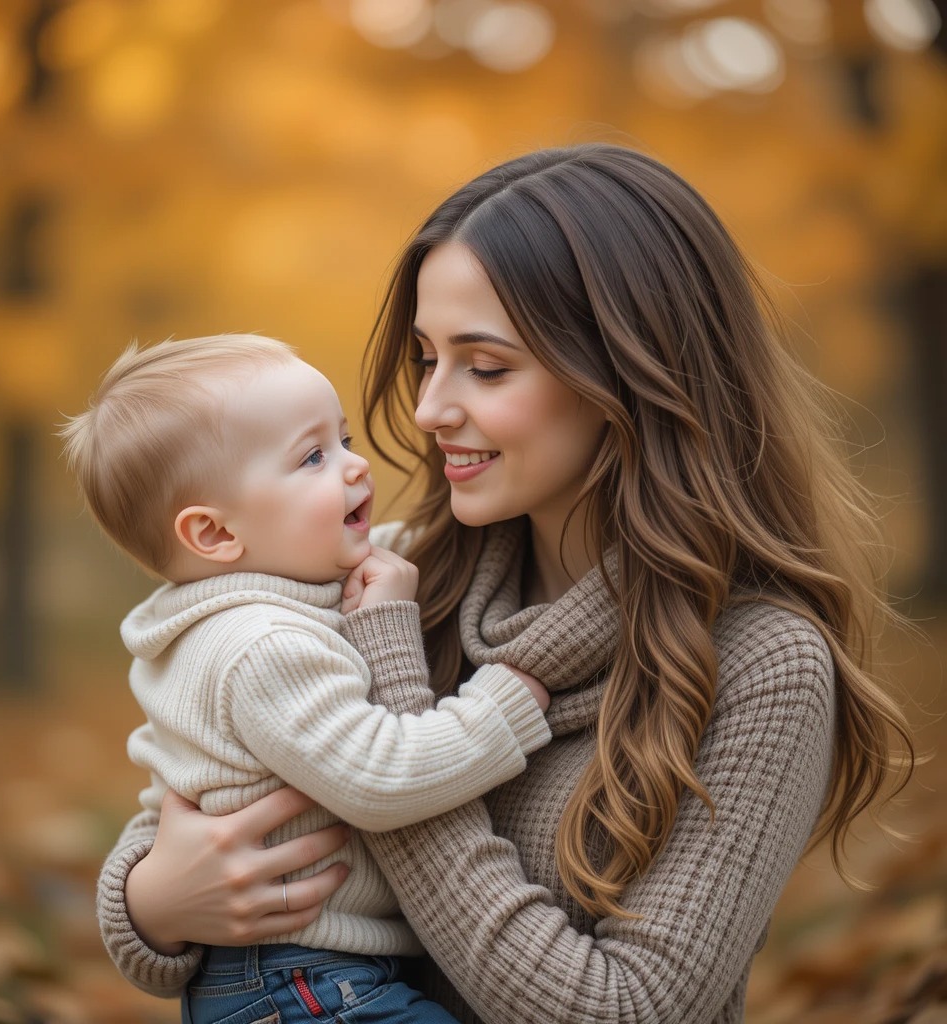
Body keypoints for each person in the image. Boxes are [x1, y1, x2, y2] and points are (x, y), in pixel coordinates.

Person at [94, 145, 916, 1023]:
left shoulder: (763, 663)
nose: (429, 409)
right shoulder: (395, 576)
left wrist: (402, 708)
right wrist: (148, 906)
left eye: (485, 367)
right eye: (424, 359)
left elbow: (624, 1011)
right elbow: (213, 762)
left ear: (631, 376)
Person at [60, 333, 554, 1023]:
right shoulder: (260, 645)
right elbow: (381, 776)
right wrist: (500, 709)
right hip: (303, 984)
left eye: (344, 439)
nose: (355, 467)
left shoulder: (262, 593)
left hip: (295, 977)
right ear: (213, 534)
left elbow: (399, 546)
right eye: (313, 456)